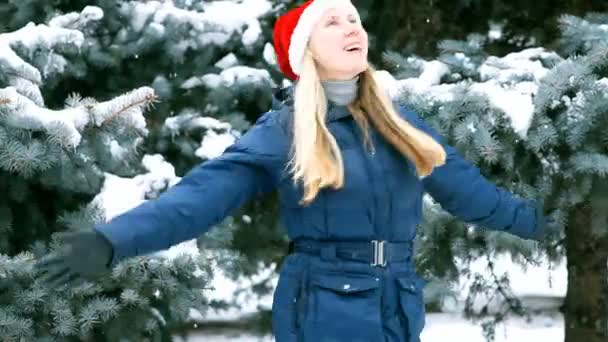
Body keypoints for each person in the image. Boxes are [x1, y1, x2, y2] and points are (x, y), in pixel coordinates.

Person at [35, 0, 555, 341]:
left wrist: (561, 225)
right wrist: (113, 240)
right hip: (323, 306)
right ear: (306, 50)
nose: (351, 26)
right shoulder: (284, 131)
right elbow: (199, 199)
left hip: (397, 302)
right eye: (333, 21)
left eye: (353, 18)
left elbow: (473, 196)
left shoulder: (401, 124)